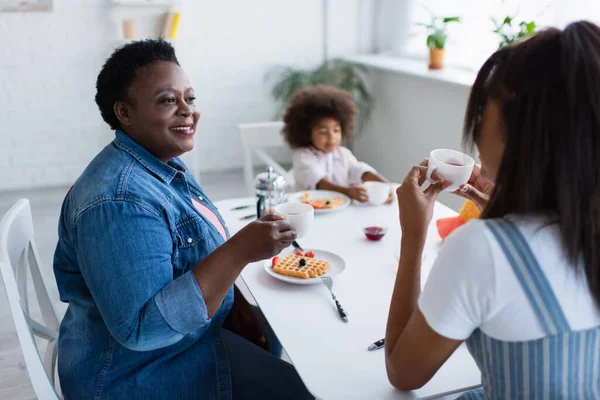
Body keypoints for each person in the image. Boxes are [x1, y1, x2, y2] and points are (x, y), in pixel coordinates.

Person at [53, 39, 313, 400]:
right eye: (167, 100)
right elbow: (143, 329)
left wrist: (234, 302)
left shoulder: (160, 163)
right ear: (124, 113)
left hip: (184, 344)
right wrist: (240, 251)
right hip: (138, 377)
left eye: (189, 98)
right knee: (309, 388)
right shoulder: (119, 202)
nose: (187, 110)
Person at [385, 22, 600, 398]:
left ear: (522, 133)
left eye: (485, 112)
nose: (477, 126)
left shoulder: (481, 248)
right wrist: (505, 213)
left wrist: (413, 236)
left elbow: (403, 373)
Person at [283, 84, 392, 203]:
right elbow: (320, 182)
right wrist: (348, 192)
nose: (332, 137)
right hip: (310, 212)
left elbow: (359, 170)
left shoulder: (343, 154)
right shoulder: (302, 156)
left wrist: (385, 185)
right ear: (307, 132)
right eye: (323, 132)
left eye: (336, 130)